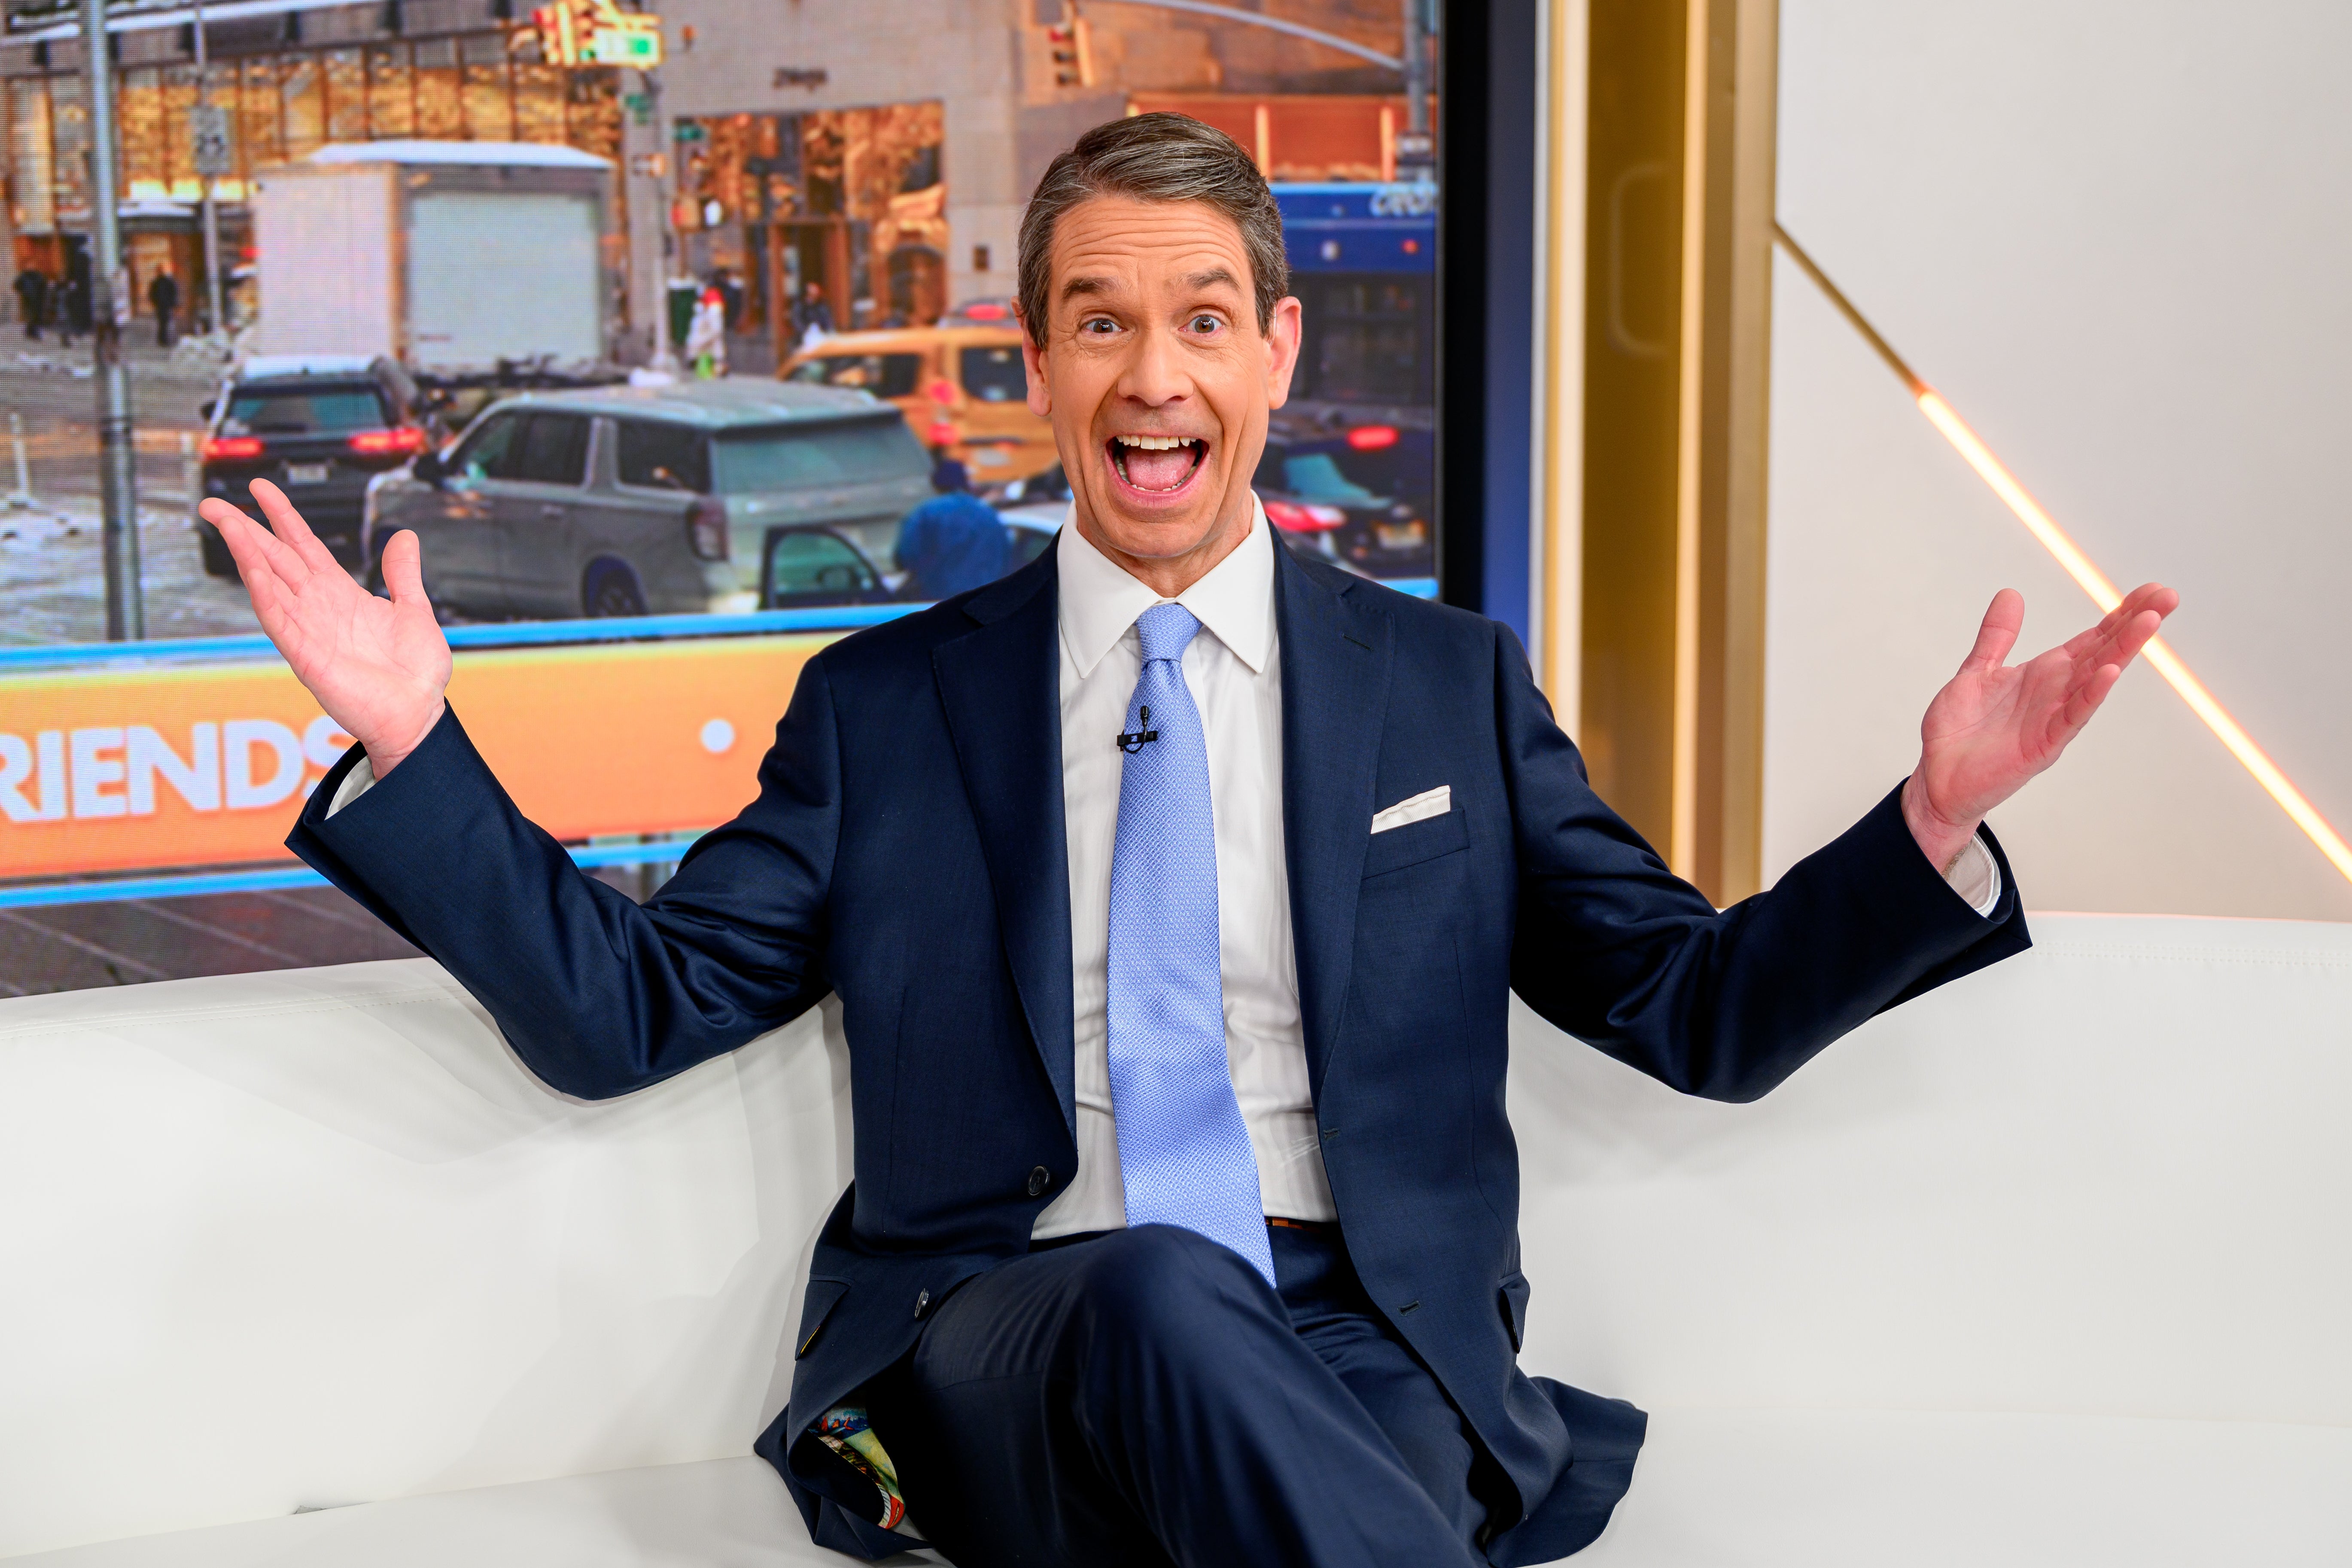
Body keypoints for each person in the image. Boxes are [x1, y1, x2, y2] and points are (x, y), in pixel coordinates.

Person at [199, 113, 2176, 1568]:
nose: (1155, 376)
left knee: (1288, 1456)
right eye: (1101, 323)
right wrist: (419, 745)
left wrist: (1928, 821)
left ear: (1276, 352)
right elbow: (626, 1010)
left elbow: (1695, 1009)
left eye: (1203, 320)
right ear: (1040, 364)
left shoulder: (1445, 687)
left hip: (1371, 1340)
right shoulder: (887, 710)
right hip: (1009, 1337)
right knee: (1156, 1291)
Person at [894, 455, 1010, 600]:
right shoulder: (988, 514)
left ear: (937, 483)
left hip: (940, 599)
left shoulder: (926, 513)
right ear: (966, 483)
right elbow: (1006, 556)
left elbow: (906, 556)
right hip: (986, 599)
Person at [685, 284, 728, 379]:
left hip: (710, 332)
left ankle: (718, 368)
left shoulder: (713, 303)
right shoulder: (706, 301)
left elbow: (716, 328)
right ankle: (713, 368)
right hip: (708, 331)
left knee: (713, 347)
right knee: (714, 348)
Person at [794, 279, 836, 348]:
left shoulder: (822, 305)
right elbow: (798, 321)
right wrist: (807, 331)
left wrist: (830, 331)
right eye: (813, 290)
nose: (815, 292)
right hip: (804, 337)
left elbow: (828, 320)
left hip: (823, 335)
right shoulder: (800, 306)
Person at [147, 265, 180, 348]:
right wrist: (155, 303)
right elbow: (152, 294)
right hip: (161, 306)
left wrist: (174, 303)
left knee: (165, 322)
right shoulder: (157, 283)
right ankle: (163, 340)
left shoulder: (165, 282)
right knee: (163, 322)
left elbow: (174, 292)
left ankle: (164, 339)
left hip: (166, 306)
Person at [13, 264, 46, 341]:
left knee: (36, 315)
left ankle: (33, 332)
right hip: (27, 300)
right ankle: (30, 331)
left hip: (37, 300)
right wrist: (23, 292)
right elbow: (16, 286)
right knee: (30, 315)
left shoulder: (39, 276)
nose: (31, 267)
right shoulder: (24, 276)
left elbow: (44, 287)